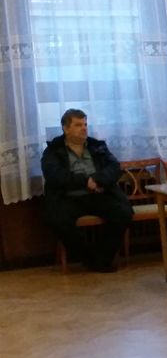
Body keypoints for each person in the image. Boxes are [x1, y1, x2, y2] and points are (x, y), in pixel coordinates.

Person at [40, 108, 133, 273]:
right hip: (68, 198)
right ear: (65, 128)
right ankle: (91, 259)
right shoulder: (53, 150)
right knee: (58, 221)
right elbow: (54, 175)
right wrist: (85, 181)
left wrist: (97, 180)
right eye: (78, 125)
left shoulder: (97, 146)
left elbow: (114, 167)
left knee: (123, 213)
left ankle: (102, 259)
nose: (84, 128)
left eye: (85, 124)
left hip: (99, 194)